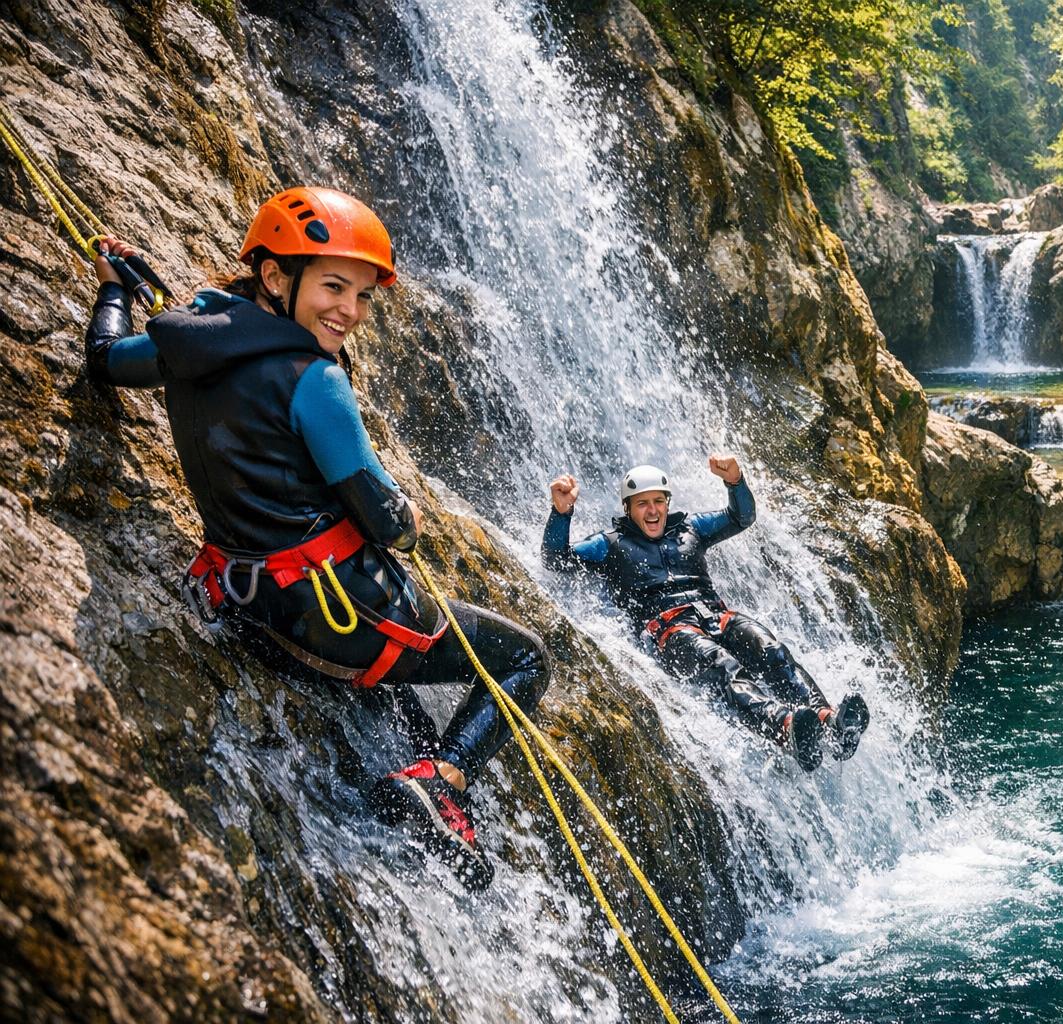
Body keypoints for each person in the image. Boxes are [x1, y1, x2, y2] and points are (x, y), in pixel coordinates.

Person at [84, 187, 548, 891]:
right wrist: (409, 517)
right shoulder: (316, 379)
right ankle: (443, 781)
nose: (350, 311)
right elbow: (386, 521)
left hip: (244, 605)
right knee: (526, 659)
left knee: (400, 693)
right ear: (276, 277)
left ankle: (422, 782)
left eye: (361, 296)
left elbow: (106, 358)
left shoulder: (183, 344)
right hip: (337, 614)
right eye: (334, 287)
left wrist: (114, 290)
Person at [541, 457, 869, 771]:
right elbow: (556, 559)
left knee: (773, 651)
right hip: (671, 633)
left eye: (658, 501)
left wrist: (735, 482)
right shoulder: (609, 544)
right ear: (628, 508)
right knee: (724, 666)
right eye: (642, 504)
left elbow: (741, 516)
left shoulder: (691, 529)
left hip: (715, 616)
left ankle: (829, 724)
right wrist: (561, 513)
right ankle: (784, 727)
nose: (652, 510)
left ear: (667, 503)